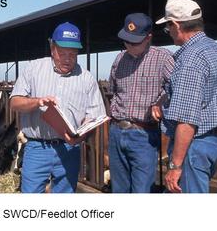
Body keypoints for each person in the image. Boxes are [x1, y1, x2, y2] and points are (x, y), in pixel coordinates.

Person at [10, 22, 106, 193]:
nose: (68, 59)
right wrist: (37, 102)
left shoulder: (87, 78)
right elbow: (15, 102)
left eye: (73, 54)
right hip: (37, 147)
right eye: (62, 53)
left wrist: (81, 135)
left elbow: (95, 116)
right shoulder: (34, 69)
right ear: (52, 48)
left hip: (69, 149)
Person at [156, 0, 217, 193]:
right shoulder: (214, 48)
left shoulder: (190, 58)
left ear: (176, 25)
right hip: (212, 144)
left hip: (193, 146)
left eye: (168, 28)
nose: (169, 33)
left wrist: (175, 165)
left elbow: (187, 118)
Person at [108, 13, 174, 193]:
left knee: (141, 191)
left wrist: (161, 102)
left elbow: (175, 89)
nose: (129, 45)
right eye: (126, 40)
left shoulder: (164, 58)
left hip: (143, 134)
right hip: (116, 132)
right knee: (119, 190)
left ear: (148, 38)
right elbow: (112, 91)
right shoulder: (119, 59)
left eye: (134, 41)